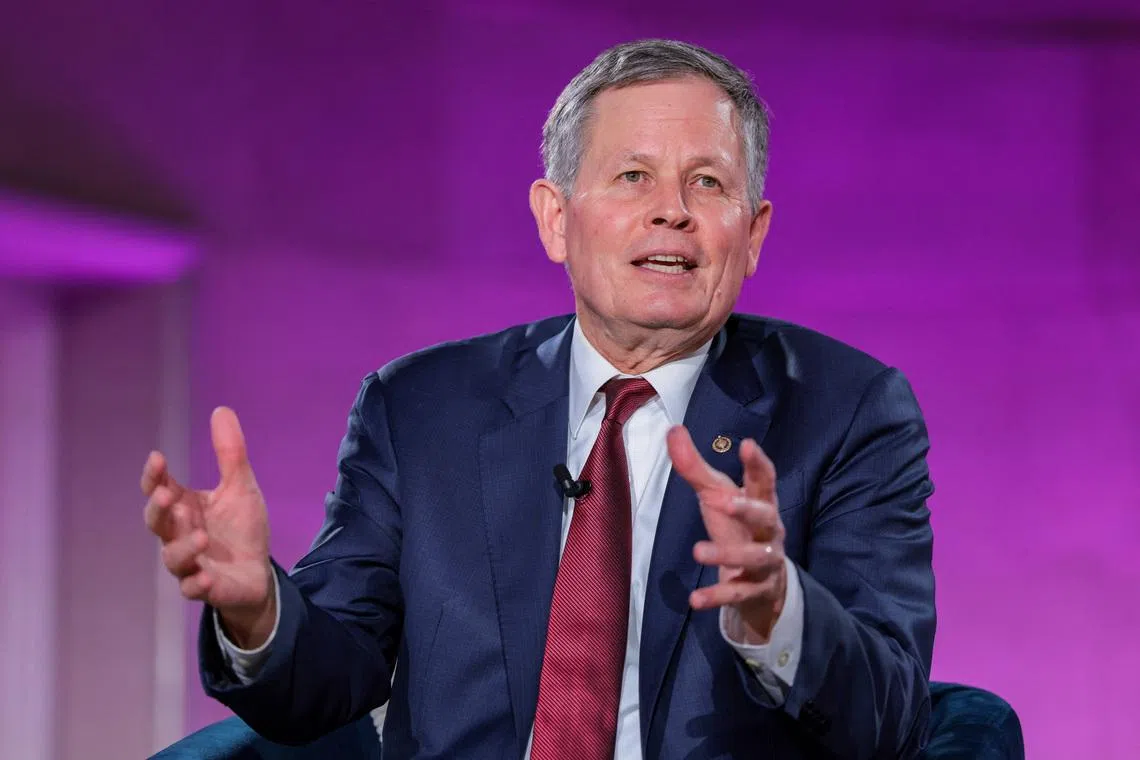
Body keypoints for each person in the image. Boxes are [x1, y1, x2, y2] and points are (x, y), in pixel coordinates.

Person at [143, 39, 935, 759]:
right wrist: (257, 610)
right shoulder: (420, 409)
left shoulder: (847, 412)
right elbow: (331, 678)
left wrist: (779, 612)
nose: (673, 209)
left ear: (753, 234)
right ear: (556, 220)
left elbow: (894, 718)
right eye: (633, 176)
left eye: (707, 182)